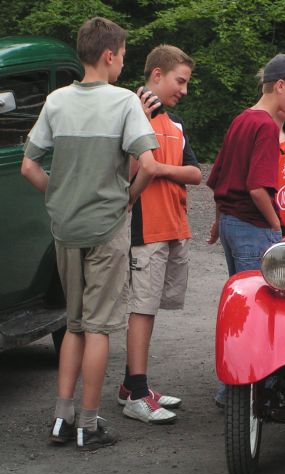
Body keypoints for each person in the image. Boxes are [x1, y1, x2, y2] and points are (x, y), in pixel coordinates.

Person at [21, 17, 162, 449]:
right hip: (106, 228)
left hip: (66, 228)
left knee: (74, 324)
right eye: (122, 56)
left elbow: (29, 165)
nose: (122, 63)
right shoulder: (123, 103)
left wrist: (59, 196)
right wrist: (127, 200)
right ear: (108, 55)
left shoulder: (56, 101)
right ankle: (88, 423)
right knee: (99, 329)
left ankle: (61, 420)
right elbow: (151, 165)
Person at [207, 54, 285, 407]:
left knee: (240, 306)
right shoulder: (264, 127)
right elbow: (258, 188)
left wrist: (218, 221)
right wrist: (277, 229)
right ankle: (243, 393)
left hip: (232, 223)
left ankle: (235, 390)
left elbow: (218, 177)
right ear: (280, 85)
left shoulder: (242, 119)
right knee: (259, 312)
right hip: (254, 228)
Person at [116, 45, 202, 424]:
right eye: (179, 81)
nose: (183, 89)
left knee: (151, 310)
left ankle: (131, 385)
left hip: (173, 226)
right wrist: (141, 122)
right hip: (145, 229)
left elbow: (196, 173)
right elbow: (128, 170)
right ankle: (136, 393)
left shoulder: (176, 124)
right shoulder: (130, 113)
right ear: (156, 75)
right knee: (142, 309)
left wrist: (162, 169)